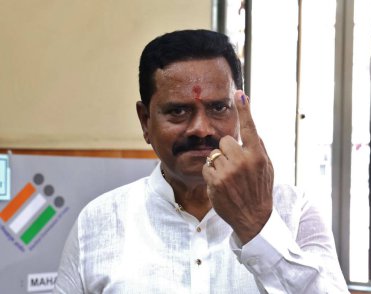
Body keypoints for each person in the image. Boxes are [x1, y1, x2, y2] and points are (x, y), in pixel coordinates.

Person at [53, 29, 349, 293]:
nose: (201, 129)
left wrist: (257, 226)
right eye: (178, 111)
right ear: (145, 121)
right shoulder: (98, 222)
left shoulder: (293, 210)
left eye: (219, 107)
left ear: (240, 112)